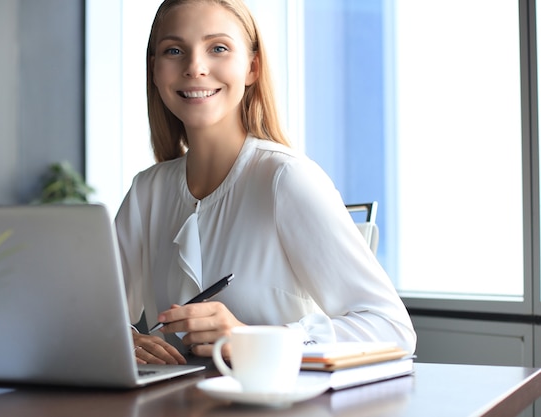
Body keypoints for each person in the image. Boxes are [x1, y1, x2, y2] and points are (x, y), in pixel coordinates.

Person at [115, 0, 416, 365]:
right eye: (174, 50)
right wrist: (122, 342)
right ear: (154, 70)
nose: (195, 67)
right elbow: (89, 313)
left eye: (218, 48)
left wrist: (251, 339)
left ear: (252, 67)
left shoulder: (285, 180)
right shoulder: (146, 191)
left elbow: (392, 328)